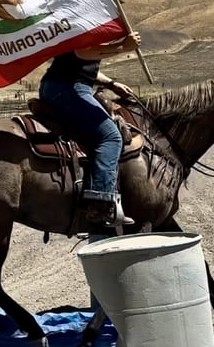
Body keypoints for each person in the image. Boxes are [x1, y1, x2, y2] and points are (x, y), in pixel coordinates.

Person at [38, 31, 141, 228]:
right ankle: (100, 204)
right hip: (69, 88)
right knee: (111, 137)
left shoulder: (84, 28)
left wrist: (111, 83)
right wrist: (123, 47)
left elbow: (86, 66)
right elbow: (83, 52)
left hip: (66, 86)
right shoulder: (83, 27)